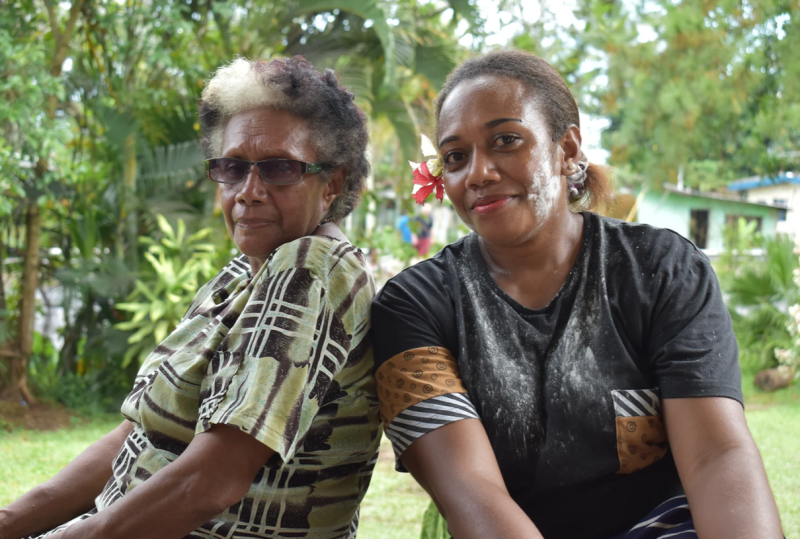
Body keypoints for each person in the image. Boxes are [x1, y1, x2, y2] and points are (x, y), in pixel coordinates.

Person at [371, 50, 783, 539]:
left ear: (567, 151)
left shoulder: (660, 271)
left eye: (506, 140)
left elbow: (718, 457)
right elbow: (471, 491)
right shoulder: (414, 306)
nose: (477, 173)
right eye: (456, 156)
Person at [0, 56, 380, 539]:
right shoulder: (242, 274)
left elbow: (212, 480)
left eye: (279, 168)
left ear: (332, 184)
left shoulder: (312, 265)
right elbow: (135, 435)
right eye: (232, 167)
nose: (249, 191)